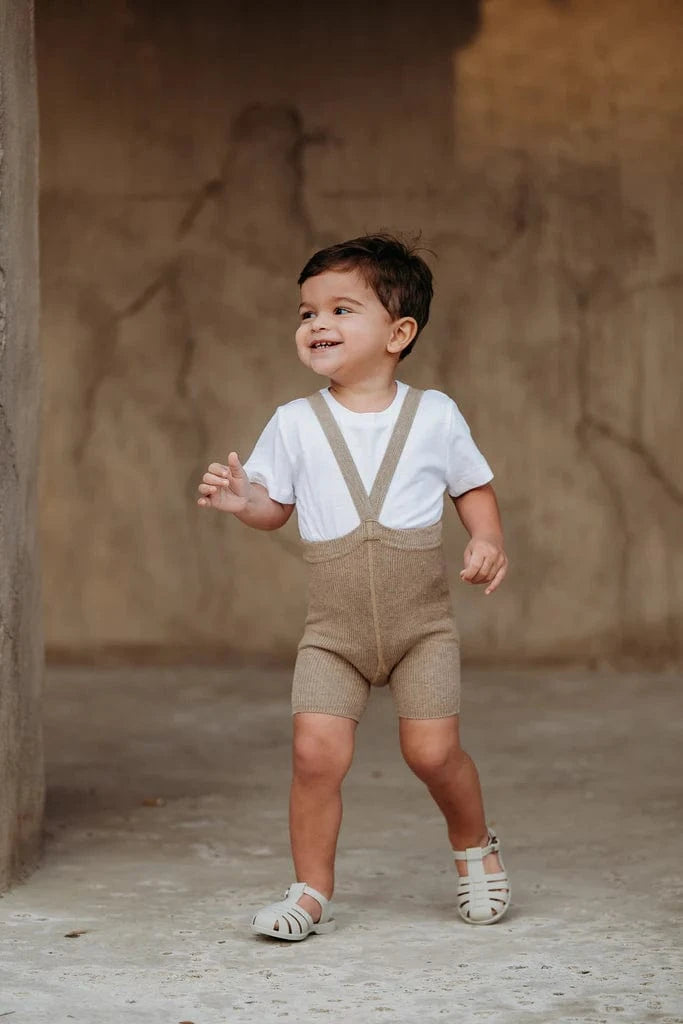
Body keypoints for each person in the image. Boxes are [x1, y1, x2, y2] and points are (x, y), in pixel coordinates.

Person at [197, 234, 511, 940]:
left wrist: (487, 539)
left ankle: (475, 848)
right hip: (333, 635)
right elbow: (274, 508)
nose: (317, 324)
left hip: (420, 630)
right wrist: (244, 501)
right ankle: (310, 891)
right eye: (306, 313)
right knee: (314, 755)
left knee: (432, 754)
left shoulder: (434, 415)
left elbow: (473, 486)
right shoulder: (294, 422)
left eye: (341, 309)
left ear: (399, 333)